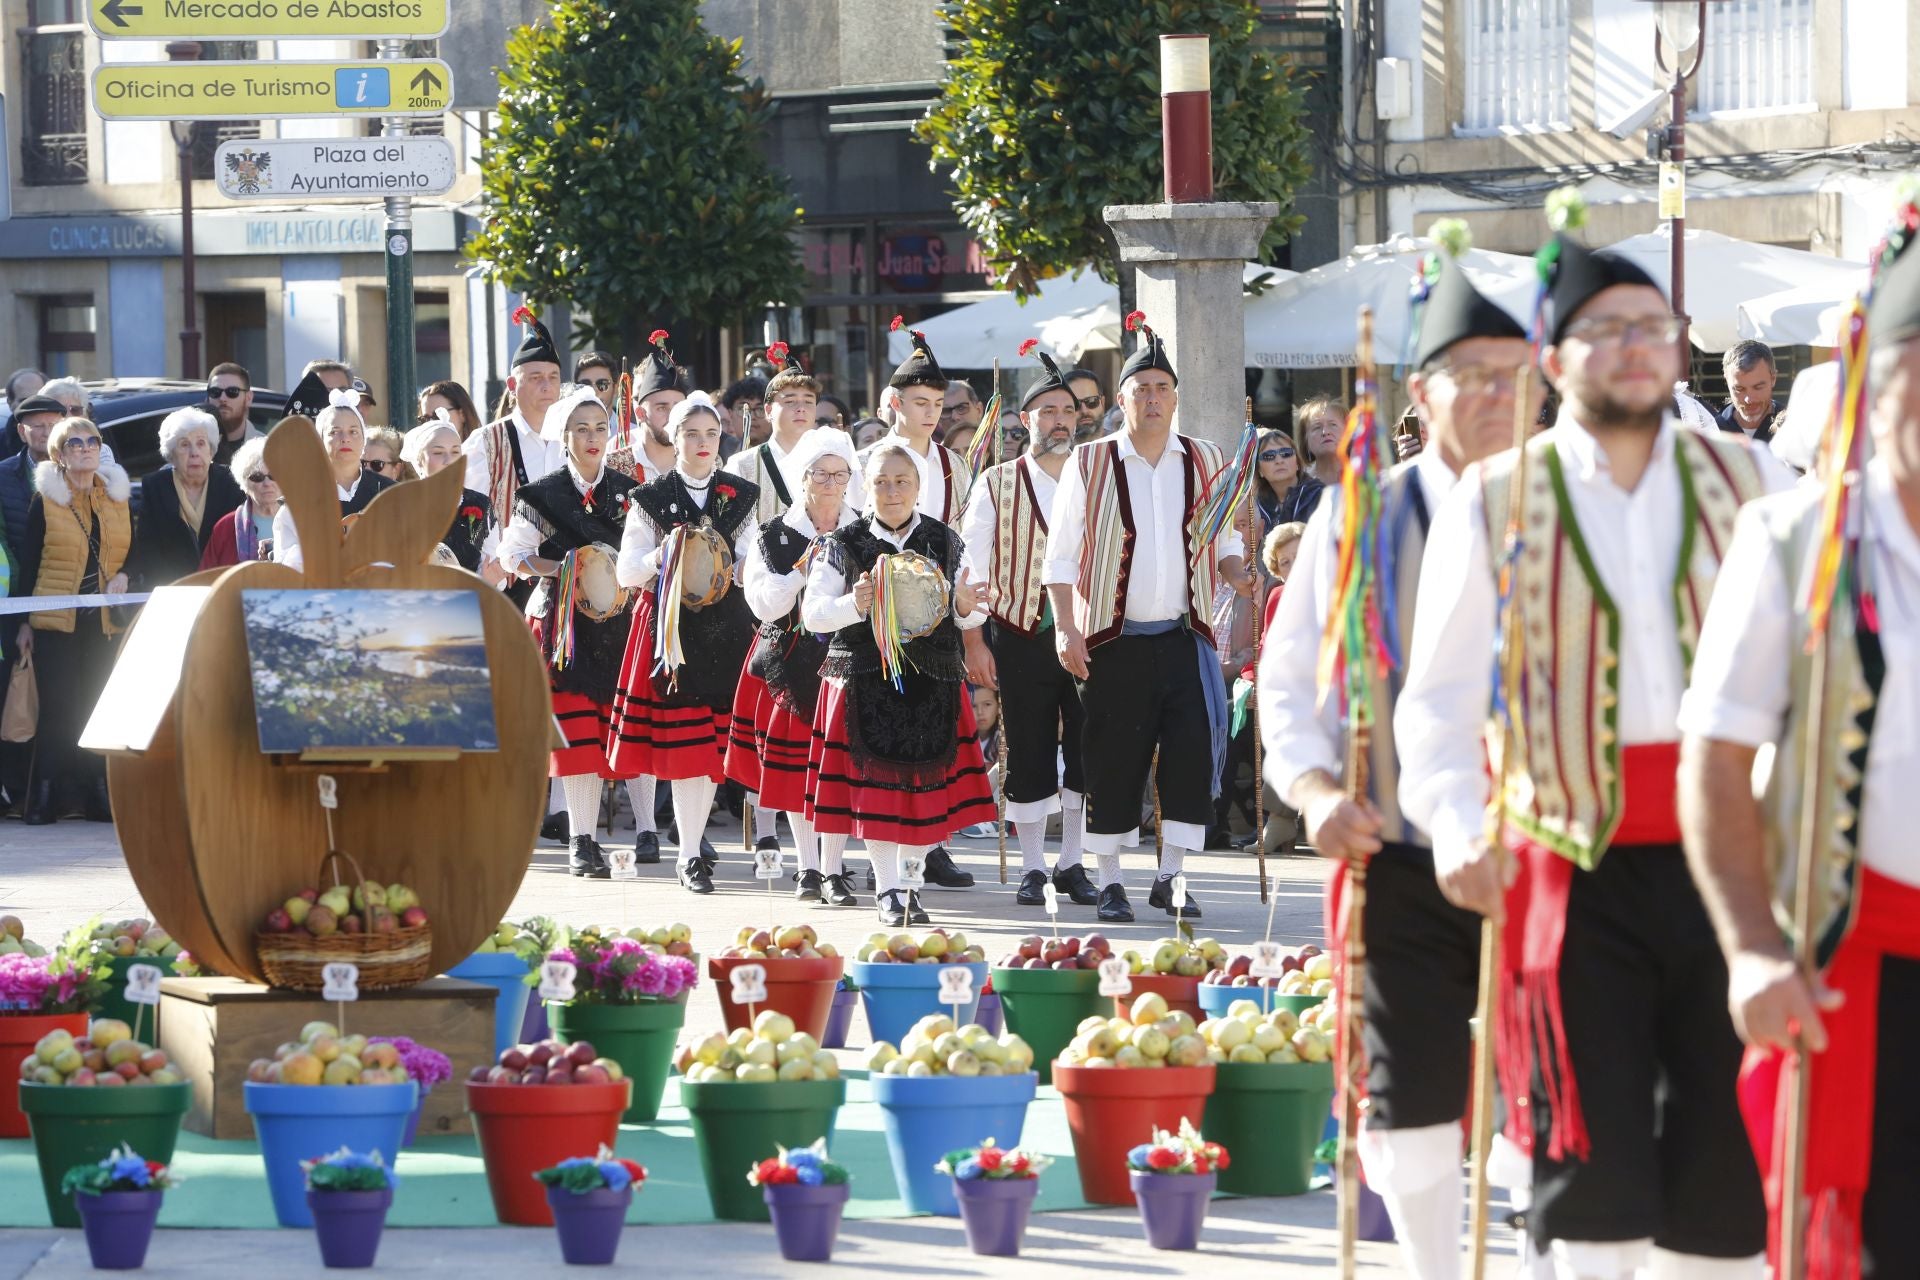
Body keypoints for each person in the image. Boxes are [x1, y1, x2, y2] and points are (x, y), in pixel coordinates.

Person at [1393, 228, 1792, 1280]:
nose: (1636, 348)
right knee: (1587, 1179)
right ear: (1554, 358)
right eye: (1607, 329)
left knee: (1725, 1182)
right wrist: (1456, 824)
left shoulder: (1756, 479)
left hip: (1731, 864)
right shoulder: (1493, 499)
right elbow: (1435, 706)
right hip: (1566, 870)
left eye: (1653, 327)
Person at [1261, 250, 1540, 1278]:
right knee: (1406, 1090)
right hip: (1395, 849)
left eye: (1517, 375)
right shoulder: (1360, 512)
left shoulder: (1568, 504)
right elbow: (1289, 675)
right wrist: (1314, 790)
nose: (1501, 396)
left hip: (1542, 854)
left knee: (1552, 1085)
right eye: (1474, 375)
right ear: (1421, 393)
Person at [1675, 213, 1920, 1280]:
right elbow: (1716, 757)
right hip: (1847, 956)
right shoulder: (1795, 540)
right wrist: (1752, 947)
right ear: (1873, 382)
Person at [1044, 314, 1254, 923]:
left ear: (1176, 399)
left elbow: (1222, 539)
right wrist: (1066, 627)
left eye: (1163, 388)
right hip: (1113, 640)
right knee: (1113, 760)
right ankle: (1111, 880)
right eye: (1142, 389)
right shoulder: (1090, 462)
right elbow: (1060, 556)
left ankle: (1171, 878)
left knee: (1190, 758)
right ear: (1122, 399)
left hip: (1186, 637)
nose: (1154, 398)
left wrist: (1238, 572)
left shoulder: (1206, 457)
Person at [802, 442, 995, 925]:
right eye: (882, 482)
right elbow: (813, 614)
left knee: (925, 797)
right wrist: (854, 605)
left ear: (918, 487)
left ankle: (909, 887)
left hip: (933, 680)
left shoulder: (946, 540)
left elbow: (974, 608)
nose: (892, 491)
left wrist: (965, 606)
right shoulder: (841, 543)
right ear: (866, 488)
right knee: (879, 794)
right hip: (864, 680)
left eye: (902, 481)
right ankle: (889, 891)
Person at [608, 394, 762, 893]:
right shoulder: (650, 497)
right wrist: (663, 555)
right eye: (691, 434)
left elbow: (750, 564)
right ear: (674, 439)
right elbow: (626, 571)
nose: (702, 443)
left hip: (725, 628)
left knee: (711, 749)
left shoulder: (741, 495)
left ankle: (692, 847)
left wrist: (744, 568)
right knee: (687, 749)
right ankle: (690, 854)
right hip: (670, 631)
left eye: (711, 434)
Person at [961, 347, 1093, 909]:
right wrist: (974, 639)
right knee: (1029, 748)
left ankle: (1073, 862)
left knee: (1086, 748)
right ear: (1025, 419)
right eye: (1048, 411)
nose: (1060, 421)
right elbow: (972, 567)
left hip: (1088, 633)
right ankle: (1034, 866)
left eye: (1068, 411)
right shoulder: (996, 482)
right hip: (1018, 633)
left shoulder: (1097, 476)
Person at [497, 387, 641, 877]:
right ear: (563, 436)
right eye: (581, 429)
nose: (592, 437)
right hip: (561, 626)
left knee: (613, 731)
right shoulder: (542, 493)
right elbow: (511, 555)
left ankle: (644, 831)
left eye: (600, 427)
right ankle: (582, 840)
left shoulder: (629, 492)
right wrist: (564, 568)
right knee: (577, 735)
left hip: (618, 623)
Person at [726, 427, 860, 903]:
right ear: (802, 478)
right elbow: (762, 604)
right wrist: (802, 570)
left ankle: (834, 869)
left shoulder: (862, 530)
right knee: (799, 768)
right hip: (789, 659)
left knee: (836, 769)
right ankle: (808, 868)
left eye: (839, 474)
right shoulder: (773, 533)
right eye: (820, 474)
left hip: (848, 661)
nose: (830, 483)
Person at [14, 417, 130, 824]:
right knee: (58, 710)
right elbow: (29, 565)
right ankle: (43, 798)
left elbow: (135, 551)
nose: (85, 448)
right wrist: (22, 623)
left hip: (103, 624)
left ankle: (98, 795)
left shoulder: (117, 499)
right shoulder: (44, 501)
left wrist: (126, 574)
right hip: (55, 623)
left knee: (96, 707)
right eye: (74, 443)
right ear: (59, 455)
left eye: (92, 441)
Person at [461, 308, 565, 559]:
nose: (547, 386)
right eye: (535, 378)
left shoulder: (573, 437)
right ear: (511, 385)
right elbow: (468, 518)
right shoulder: (486, 442)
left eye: (553, 377)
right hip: (504, 575)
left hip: (565, 573)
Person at [851, 321, 974, 526]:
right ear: (896, 403)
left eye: (938, 404)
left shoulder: (956, 465)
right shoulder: (862, 463)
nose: (931, 413)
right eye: (921, 403)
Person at [270, 392, 398, 571]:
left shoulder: (390, 493)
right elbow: (287, 565)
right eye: (334, 432)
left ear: (363, 440)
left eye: (353, 431)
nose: (345, 438)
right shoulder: (299, 500)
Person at [132, 407, 244, 586]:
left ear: (211, 450)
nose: (194, 453)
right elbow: (148, 548)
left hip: (223, 585)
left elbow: (241, 542)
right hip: (174, 587)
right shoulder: (155, 486)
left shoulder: (232, 482)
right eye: (184, 445)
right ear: (171, 454)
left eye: (201, 443)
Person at [724, 345, 817, 527]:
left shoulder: (833, 460)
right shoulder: (741, 466)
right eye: (790, 401)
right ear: (769, 410)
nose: (801, 408)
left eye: (808, 401)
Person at [401, 419, 498, 578]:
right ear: (419, 460)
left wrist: (488, 578)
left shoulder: (481, 504)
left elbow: (490, 565)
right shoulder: (400, 505)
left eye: (455, 452)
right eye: (438, 453)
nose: (449, 461)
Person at [607, 331, 687, 484]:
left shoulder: (705, 464)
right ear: (640, 413)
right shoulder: (613, 467)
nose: (673, 416)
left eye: (678, 407)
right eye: (661, 408)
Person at [198, 437, 280, 569]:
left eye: (274, 475)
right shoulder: (226, 526)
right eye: (257, 477)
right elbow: (207, 576)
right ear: (244, 484)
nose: (267, 483)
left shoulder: (303, 523)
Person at [0, 396, 64, 547]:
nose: (47, 433)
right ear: (22, 432)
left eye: (54, 425)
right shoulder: (3, 475)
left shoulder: (79, 469)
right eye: (38, 426)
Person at [1253, 427, 1323, 532]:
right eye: (1269, 456)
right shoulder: (1256, 506)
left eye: (1286, 453)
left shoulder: (1319, 495)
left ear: (1297, 463)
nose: (1279, 461)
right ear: (1259, 470)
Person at [1717, 339, 1782, 443]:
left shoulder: (1794, 427)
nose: (1749, 399)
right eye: (1739, 389)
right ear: (1726, 381)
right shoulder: (1711, 430)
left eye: (1758, 387)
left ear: (1773, 379)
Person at [205, 363, 262, 466]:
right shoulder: (192, 450)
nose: (222, 398)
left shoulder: (265, 448)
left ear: (248, 398)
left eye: (232, 392)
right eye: (215, 392)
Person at [1295, 395, 1347, 488]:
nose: (1325, 432)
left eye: (1333, 425)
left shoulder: (1365, 475)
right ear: (1305, 440)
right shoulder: (1298, 484)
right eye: (1317, 427)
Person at [0, 369, 47, 462]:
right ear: (10, 403)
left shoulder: (66, 440)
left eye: (38, 399)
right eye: (24, 401)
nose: (33, 406)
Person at [417, 380, 484, 440]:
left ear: (463, 414)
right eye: (425, 419)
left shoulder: (483, 448)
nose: (431, 423)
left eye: (438, 415)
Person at [718, 376, 766, 458]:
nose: (751, 416)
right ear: (730, 414)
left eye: (760, 409)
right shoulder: (717, 457)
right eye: (743, 409)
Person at [1064, 368, 1107, 443]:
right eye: (1075, 404)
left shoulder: (1121, 445)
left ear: (1102, 403)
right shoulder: (1055, 449)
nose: (1084, 411)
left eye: (1092, 401)